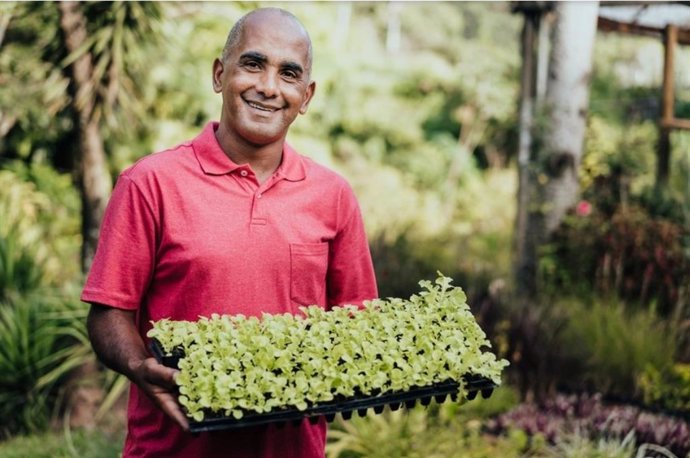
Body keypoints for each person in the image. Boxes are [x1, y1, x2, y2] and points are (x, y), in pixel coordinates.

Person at [82, 7, 378, 458]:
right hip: (172, 449)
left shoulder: (333, 195)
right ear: (220, 74)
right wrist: (139, 364)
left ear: (307, 95)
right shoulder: (150, 183)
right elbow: (108, 313)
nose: (268, 86)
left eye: (289, 73)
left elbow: (358, 322)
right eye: (253, 64)